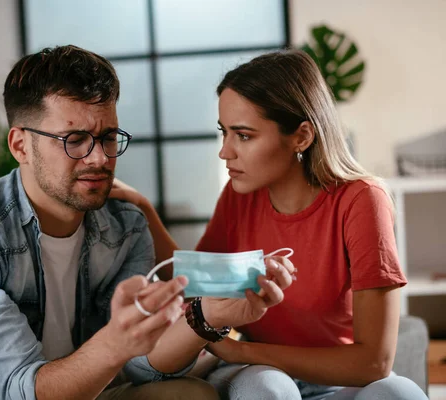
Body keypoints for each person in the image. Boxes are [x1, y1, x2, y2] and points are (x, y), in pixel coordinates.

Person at [0, 45, 295, 400]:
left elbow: (140, 364)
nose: (100, 158)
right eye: (74, 139)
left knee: (189, 394)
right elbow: (24, 389)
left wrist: (209, 317)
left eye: (107, 137)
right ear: (21, 145)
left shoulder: (124, 228)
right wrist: (115, 343)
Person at [110, 49, 429, 399]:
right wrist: (143, 208)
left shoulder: (362, 199)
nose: (225, 151)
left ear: (302, 137)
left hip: (332, 381)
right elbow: (192, 283)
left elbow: (374, 363)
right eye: (224, 132)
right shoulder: (240, 195)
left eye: (243, 135)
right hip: (263, 377)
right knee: (267, 387)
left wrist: (240, 351)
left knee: (398, 392)